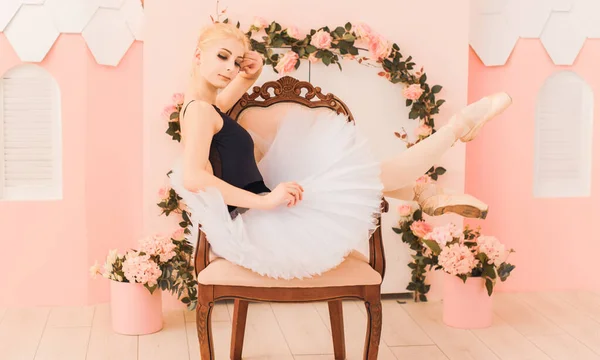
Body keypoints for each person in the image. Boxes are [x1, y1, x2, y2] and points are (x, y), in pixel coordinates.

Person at [169, 22, 512, 280]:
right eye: (222, 57)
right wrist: (265, 201)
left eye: (235, 60)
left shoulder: (204, 107)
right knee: (357, 175)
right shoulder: (199, 111)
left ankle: (424, 189)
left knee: (349, 175)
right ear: (198, 56)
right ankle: (455, 132)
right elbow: (194, 176)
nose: (230, 67)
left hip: (256, 211)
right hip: (254, 221)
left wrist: (248, 76)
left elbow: (222, 106)